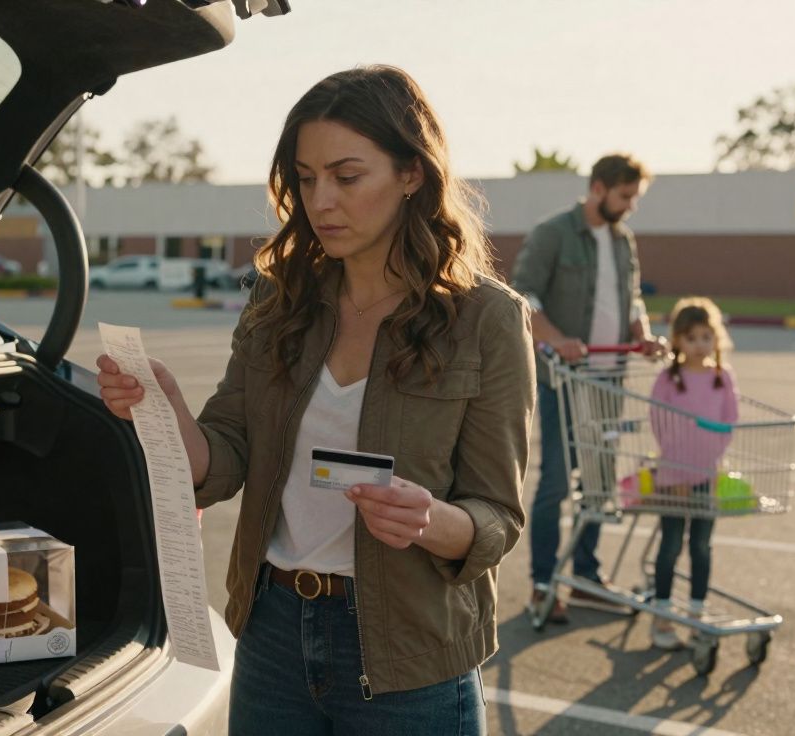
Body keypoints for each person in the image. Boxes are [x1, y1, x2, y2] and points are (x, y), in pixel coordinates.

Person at [96, 66, 534, 735]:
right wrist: (167, 410)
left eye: (346, 177)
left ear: (412, 173)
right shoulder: (280, 299)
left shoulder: (486, 318)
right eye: (305, 178)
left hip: (411, 650)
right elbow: (224, 458)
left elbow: (497, 515)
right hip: (273, 631)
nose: (321, 201)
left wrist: (431, 520)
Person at [511, 153, 666, 622]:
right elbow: (524, 296)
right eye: (625, 196)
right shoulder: (553, 233)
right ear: (598, 188)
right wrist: (557, 339)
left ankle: (586, 578)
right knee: (557, 482)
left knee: (598, 484)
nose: (631, 205)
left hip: (609, 380)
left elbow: (631, 298)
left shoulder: (623, 240)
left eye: (635, 197)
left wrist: (642, 334)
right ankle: (543, 585)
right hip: (564, 380)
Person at [646, 297, 738, 649]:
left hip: (706, 474)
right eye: (691, 337)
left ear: (716, 338)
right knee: (670, 544)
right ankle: (663, 614)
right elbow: (658, 421)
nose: (700, 344)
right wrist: (676, 464)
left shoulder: (721, 378)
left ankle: (697, 613)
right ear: (678, 340)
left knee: (701, 545)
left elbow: (729, 420)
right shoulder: (669, 379)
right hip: (673, 475)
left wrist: (710, 461)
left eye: (706, 337)